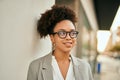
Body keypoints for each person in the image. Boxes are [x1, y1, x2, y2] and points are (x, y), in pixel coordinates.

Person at [27, 5, 93, 80]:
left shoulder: (85, 67)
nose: (68, 37)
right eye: (62, 33)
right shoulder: (36, 67)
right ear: (52, 38)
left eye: (72, 33)